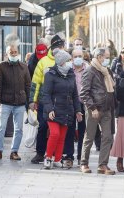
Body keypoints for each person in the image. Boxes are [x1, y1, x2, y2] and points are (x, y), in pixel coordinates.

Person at [41, 49, 83, 169]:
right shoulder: (50, 74)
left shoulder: (71, 74)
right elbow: (46, 94)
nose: (70, 63)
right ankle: (48, 157)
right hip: (53, 110)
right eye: (67, 60)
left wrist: (78, 110)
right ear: (61, 62)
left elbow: (75, 95)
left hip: (67, 110)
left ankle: (58, 159)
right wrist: (50, 109)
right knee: (55, 134)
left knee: (62, 136)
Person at [29, 34, 66, 164]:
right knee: (43, 126)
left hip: (61, 102)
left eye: (62, 47)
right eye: (59, 47)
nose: (61, 49)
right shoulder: (43, 62)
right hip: (45, 100)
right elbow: (35, 82)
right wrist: (32, 101)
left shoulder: (65, 60)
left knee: (59, 129)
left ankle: (56, 154)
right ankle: (40, 152)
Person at [79, 47, 116, 175]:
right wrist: (92, 108)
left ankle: (103, 165)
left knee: (107, 137)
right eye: (107, 56)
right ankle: (84, 163)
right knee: (89, 137)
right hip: (94, 110)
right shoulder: (90, 70)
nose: (108, 59)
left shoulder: (107, 71)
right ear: (99, 57)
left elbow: (111, 89)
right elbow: (84, 93)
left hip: (106, 109)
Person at [0, 45, 31, 160]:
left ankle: (14, 151)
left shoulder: (24, 67)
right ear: (6, 54)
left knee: (18, 129)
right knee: (1, 127)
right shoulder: (1, 66)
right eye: (11, 52)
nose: (14, 54)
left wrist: (30, 103)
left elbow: (28, 86)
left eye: (15, 52)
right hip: (5, 102)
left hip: (20, 103)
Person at [61, 48, 88, 167]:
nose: (78, 58)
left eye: (80, 56)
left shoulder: (88, 69)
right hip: (70, 104)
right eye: (75, 56)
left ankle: (81, 157)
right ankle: (69, 156)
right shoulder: (67, 69)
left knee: (83, 131)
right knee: (69, 131)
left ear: (83, 56)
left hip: (85, 104)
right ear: (72, 58)